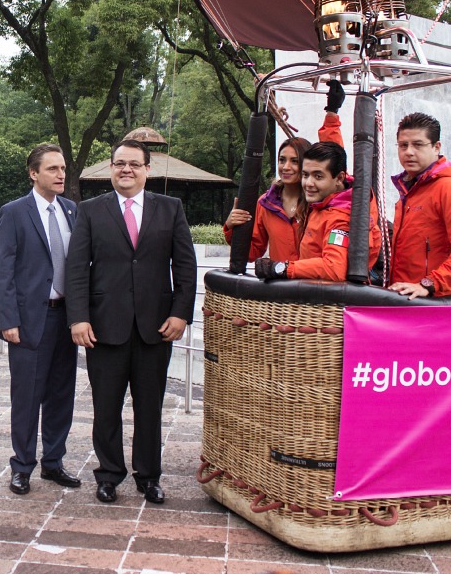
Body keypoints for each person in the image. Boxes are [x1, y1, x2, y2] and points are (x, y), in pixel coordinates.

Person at [66, 139, 198, 505]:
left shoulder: (170, 208)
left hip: (156, 328)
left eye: (134, 164)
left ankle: (149, 476)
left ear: (147, 169)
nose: (126, 169)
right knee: (106, 407)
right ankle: (109, 475)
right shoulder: (90, 210)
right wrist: (78, 318)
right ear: (111, 168)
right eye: (120, 163)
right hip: (104, 328)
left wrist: (180, 313)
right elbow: (76, 269)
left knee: (149, 408)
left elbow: (185, 266)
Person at [0, 143, 81, 496]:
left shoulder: (72, 210)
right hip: (30, 319)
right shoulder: (14, 212)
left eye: (63, 169)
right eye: (52, 169)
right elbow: (3, 270)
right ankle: (22, 466)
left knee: (61, 394)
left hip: (66, 319)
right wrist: (8, 320)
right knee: (27, 396)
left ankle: (53, 462)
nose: (61, 175)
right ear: (34, 173)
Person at [223, 81, 346, 261]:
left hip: (315, 277)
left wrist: (332, 113)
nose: (286, 167)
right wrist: (232, 227)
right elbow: (252, 252)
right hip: (281, 279)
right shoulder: (266, 203)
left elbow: (333, 159)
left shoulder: (319, 201)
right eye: (282, 160)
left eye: (295, 161)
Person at [387, 112, 451, 298]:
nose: (409, 152)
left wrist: (430, 284)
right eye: (403, 145)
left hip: (436, 300)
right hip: (408, 297)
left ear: (436, 147)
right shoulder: (411, 189)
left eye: (418, 145)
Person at [254, 141, 381, 282]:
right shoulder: (322, 205)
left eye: (318, 176)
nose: (309, 183)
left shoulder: (340, 217)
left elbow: (334, 268)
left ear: (339, 178)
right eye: (305, 175)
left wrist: (282, 268)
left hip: (326, 295)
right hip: (310, 291)